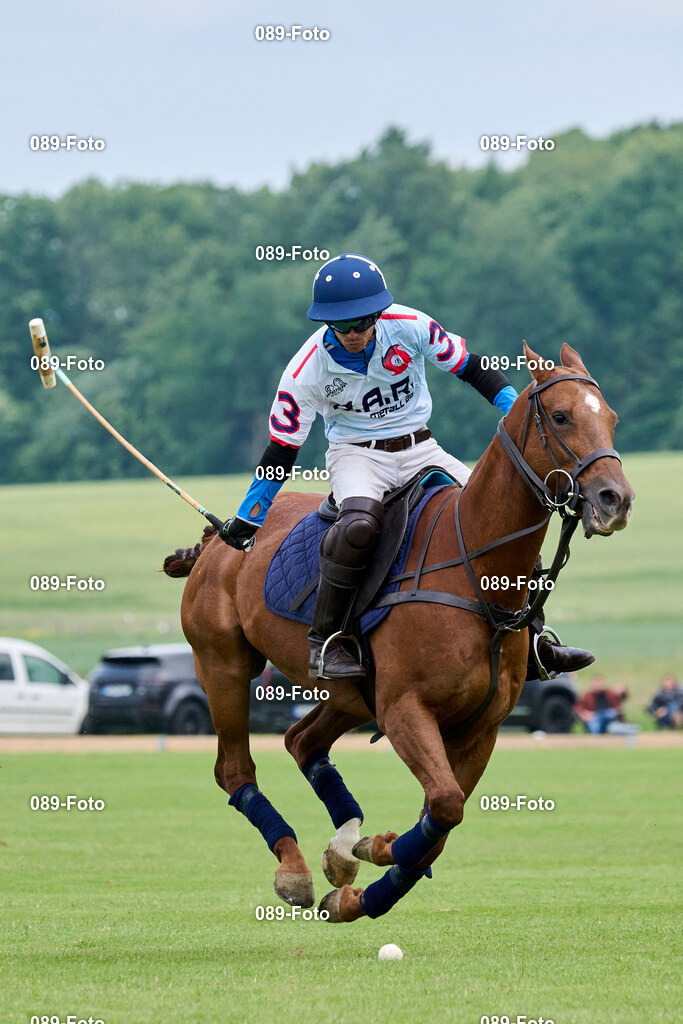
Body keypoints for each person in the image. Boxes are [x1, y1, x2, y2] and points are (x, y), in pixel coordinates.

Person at [217, 252, 594, 680]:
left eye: (363, 322)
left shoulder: (411, 325)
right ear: (326, 322)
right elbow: (281, 453)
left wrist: (516, 412)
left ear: (379, 312)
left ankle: (533, 639)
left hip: (421, 447)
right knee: (357, 525)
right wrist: (251, 516)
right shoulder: (305, 371)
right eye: (342, 326)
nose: (355, 333)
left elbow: (473, 369)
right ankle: (327, 641)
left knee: (502, 518)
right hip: (357, 455)